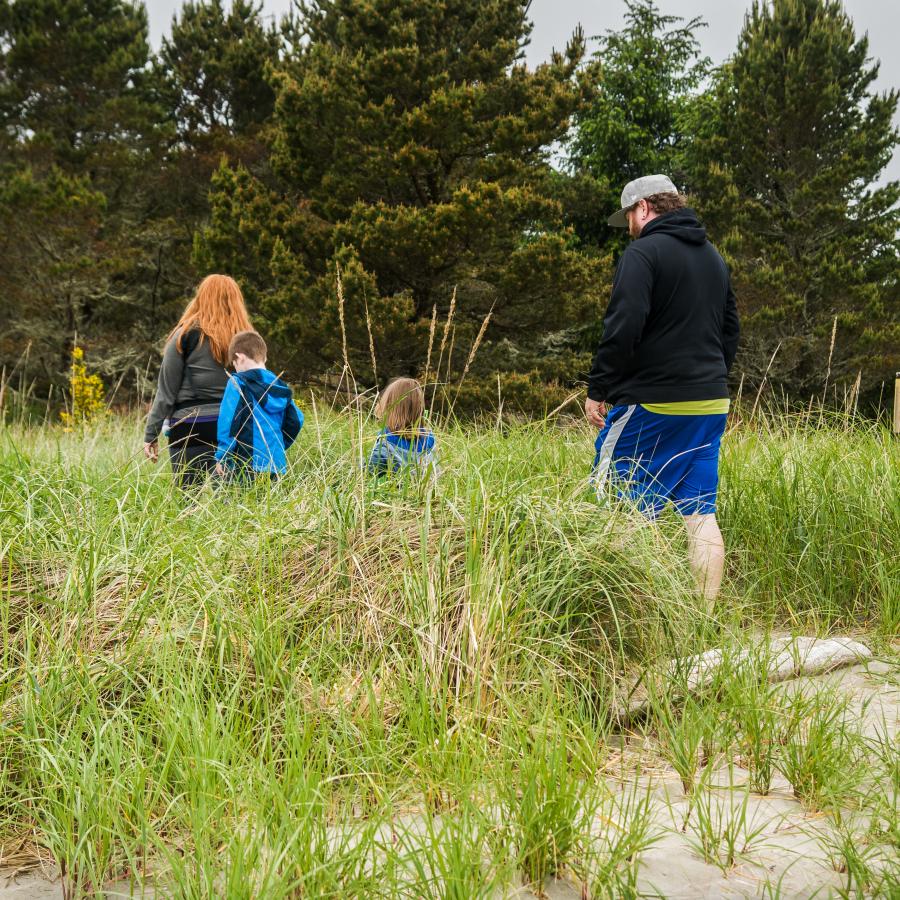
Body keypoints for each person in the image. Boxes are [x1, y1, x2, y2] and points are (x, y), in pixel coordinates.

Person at [586, 175, 740, 606]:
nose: (630, 228)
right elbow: (731, 329)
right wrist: (705, 377)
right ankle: (701, 620)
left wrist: (600, 389)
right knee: (699, 512)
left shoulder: (643, 254)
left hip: (653, 402)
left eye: (630, 218)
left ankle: (632, 617)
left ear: (644, 209)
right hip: (710, 403)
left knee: (613, 500)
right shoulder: (714, 258)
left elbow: (623, 326)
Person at [143, 274, 253, 487]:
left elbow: (166, 393)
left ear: (201, 297)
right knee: (232, 508)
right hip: (235, 427)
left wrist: (151, 434)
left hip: (190, 427)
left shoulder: (183, 336)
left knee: (188, 504)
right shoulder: (248, 340)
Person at [214, 330, 303, 481]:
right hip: (277, 464)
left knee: (243, 503)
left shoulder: (237, 382)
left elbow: (228, 422)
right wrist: (280, 445)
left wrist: (223, 456)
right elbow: (297, 420)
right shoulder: (279, 385)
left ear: (239, 357)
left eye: (234, 364)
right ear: (265, 356)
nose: (235, 369)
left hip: (247, 463)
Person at [367, 377, 437, 477]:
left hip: (394, 491)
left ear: (388, 406)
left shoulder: (386, 442)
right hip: (425, 491)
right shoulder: (430, 440)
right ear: (419, 409)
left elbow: (368, 472)